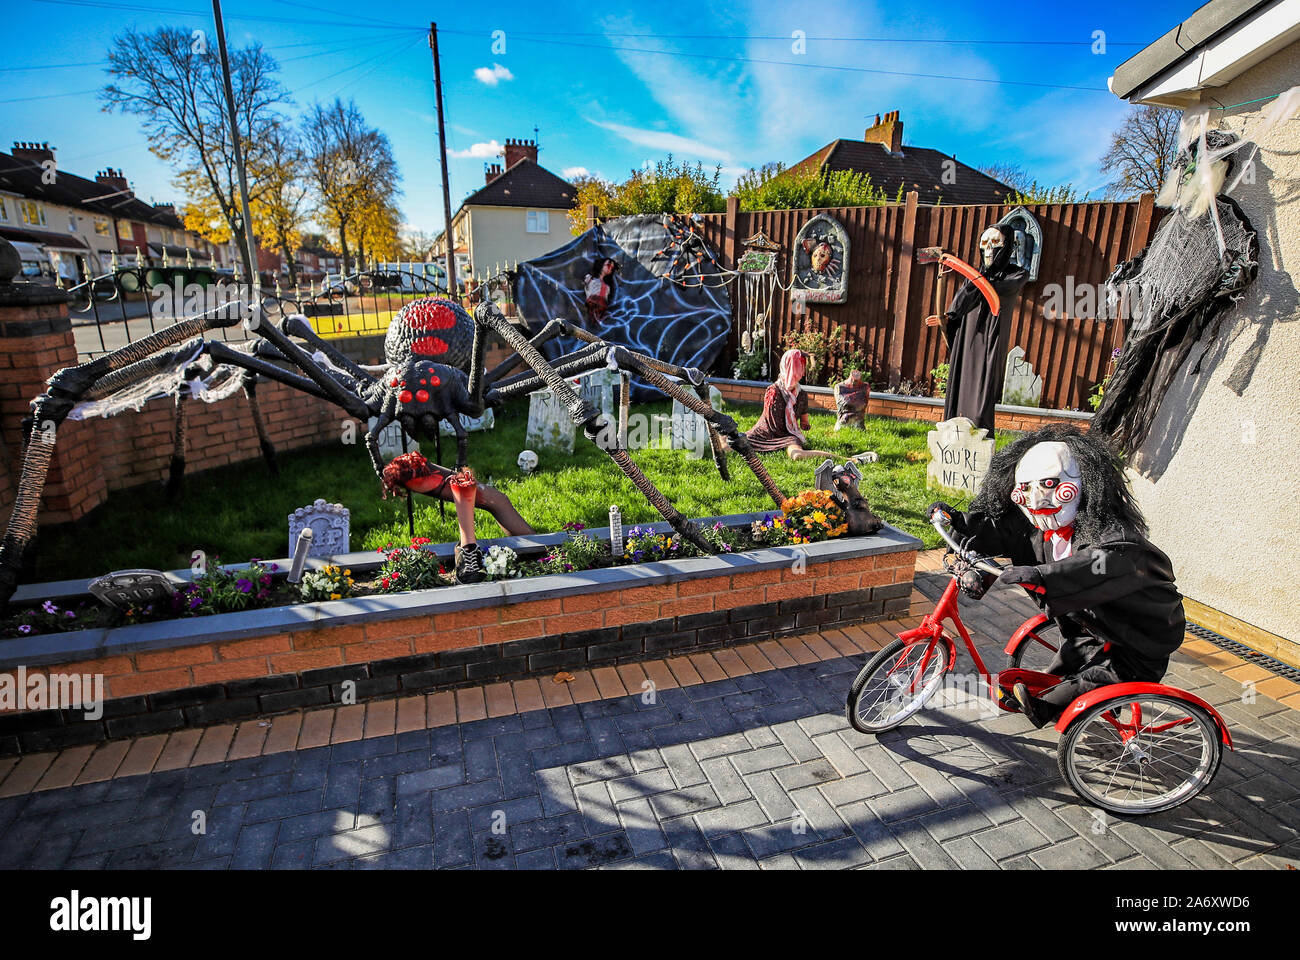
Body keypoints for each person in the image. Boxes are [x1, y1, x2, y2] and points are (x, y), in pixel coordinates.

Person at [928, 425, 1185, 727]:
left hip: (1139, 628)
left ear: (1084, 484)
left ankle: (1049, 706)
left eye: (1050, 484)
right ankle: (1050, 688)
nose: (1036, 501)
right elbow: (1003, 528)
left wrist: (1040, 574)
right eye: (1024, 489)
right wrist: (961, 522)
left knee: (1109, 672)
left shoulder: (1115, 537)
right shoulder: (1038, 527)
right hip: (1090, 621)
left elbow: (1094, 563)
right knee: (1073, 652)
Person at [924, 223, 1028, 433]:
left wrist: (972, 277)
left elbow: (993, 291)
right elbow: (962, 303)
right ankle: (955, 433)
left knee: (983, 391)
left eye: (995, 243)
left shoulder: (1016, 275)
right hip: (967, 336)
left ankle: (979, 435)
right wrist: (948, 318)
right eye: (984, 243)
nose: (989, 249)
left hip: (991, 338)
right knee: (960, 385)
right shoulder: (973, 277)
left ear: (1007, 245)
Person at [382, 452, 534, 584]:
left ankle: (535, 550)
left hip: (447, 483)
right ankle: (534, 550)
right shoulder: (414, 472)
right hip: (434, 479)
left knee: (496, 500)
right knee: (495, 500)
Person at [744, 348, 835, 461]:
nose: (799, 372)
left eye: (799, 368)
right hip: (764, 434)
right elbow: (773, 423)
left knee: (797, 455)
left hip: (786, 436)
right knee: (732, 443)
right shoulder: (773, 391)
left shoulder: (801, 395)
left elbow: (803, 422)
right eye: (797, 367)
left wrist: (802, 426)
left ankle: (847, 459)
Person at [583, 257, 619, 326]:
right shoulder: (590, 278)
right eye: (608, 265)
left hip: (601, 310)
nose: (609, 268)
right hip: (591, 306)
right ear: (601, 264)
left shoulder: (607, 287)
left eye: (611, 268)